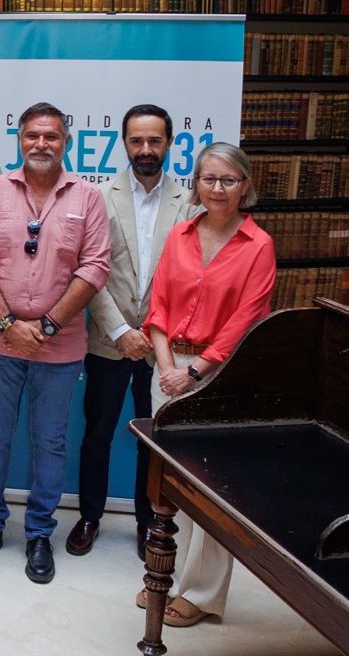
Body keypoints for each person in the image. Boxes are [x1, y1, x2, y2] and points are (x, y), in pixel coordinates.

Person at [0, 102, 110, 584]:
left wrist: (43, 327)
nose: (41, 144)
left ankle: (40, 532)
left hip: (60, 346)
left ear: (66, 141)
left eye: (51, 136)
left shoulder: (87, 197)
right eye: (32, 136)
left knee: (50, 440)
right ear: (19, 140)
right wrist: (7, 324)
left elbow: (95, 267)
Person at [138, 142, 275, 628]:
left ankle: (204, 593)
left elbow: (246, 319)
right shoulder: (179, 234)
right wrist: (166, 366)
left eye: (229, 181)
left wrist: (194, 372)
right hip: (168, 368)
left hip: (219, 376)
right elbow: (158, 306)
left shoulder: (257, 245)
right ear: (195, 183)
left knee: (212, 490)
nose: (217, 189)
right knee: (171, 485)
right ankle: (168, 577)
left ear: (246, 186)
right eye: (209, 179)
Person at [68, 104, 198, 562]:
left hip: (164, 346)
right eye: (137, 141)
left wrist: (155, 331)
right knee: (98, 432)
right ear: (124, 143)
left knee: (154, 437)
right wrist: (122, 329)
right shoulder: (97, 197)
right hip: (110, 339)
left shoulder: (191, 203)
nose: (146, 150)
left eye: (155, 141)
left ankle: (150, 521)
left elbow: (190, 280)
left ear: (170, 144)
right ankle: (89, 516)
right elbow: (88, 270)